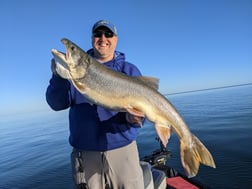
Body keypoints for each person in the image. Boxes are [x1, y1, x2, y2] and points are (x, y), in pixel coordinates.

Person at [46, 20, 145, 189]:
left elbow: (141, 114)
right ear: (92, 38)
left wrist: (134, 118)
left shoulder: (129, 71)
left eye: (108, 34)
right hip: (85, 154)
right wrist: (58, 77)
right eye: (98, 34)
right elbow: (57, 104)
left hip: (123, 152)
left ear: (116, 39)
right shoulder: (75, 72)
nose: (103, 38)